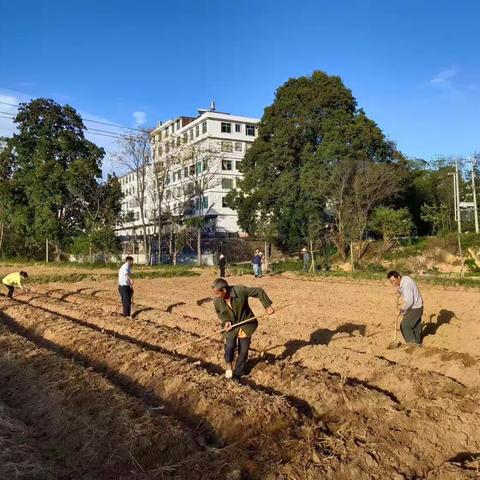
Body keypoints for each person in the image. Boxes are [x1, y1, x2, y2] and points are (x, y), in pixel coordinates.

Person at [212, 278, 274, 379]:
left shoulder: (239, 290)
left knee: (243, 351)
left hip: (246, 323)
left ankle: (238, 372)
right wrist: (226, 320)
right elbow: (219, 312)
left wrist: (267, 306)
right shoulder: (217, 301)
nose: (216, 296)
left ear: (224, 290)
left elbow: (259, 291)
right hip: (230, 326)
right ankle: (229, 366)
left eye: (217, 293)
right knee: (230, 347)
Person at [387, 271, 423, 345]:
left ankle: (412, 346)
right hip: (415, 306)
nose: (393, 283)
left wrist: (401, 310)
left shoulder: (406, 284)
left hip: (415, 307)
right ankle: (417, 345)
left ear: (399, 277)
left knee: (405, 325)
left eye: (394, 281)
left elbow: (409, 301)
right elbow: (401, 288)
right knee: (414, 328)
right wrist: (399, 292)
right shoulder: (404, 279)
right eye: (391, 282)